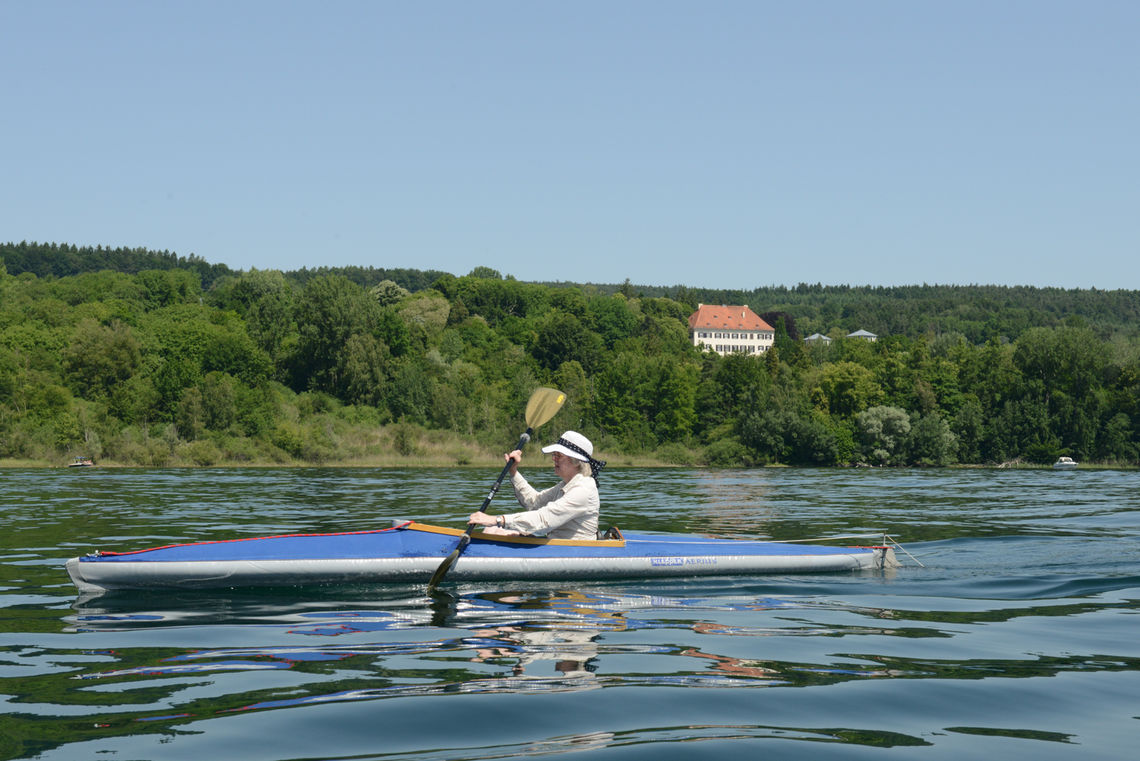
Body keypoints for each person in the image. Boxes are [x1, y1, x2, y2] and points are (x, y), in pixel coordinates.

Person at [467, 430, 605, 541]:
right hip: (556, 545)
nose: (553, 458)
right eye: (554, 455)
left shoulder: (583, 489)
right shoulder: (566, 484)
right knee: (490, 530)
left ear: (576, 462)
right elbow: (534, 502)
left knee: (494, 527)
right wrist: (513, 471)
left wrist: (497, 519)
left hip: (575, 551)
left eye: (558, 455)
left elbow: (544, 520)